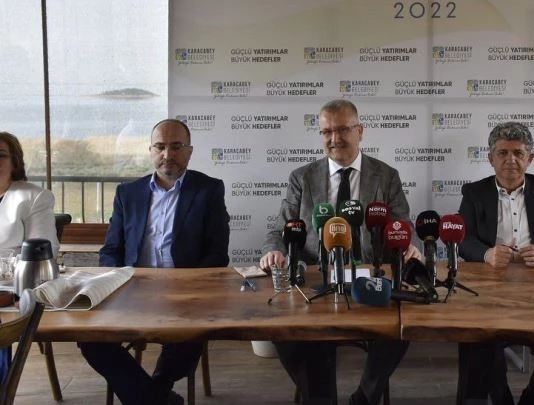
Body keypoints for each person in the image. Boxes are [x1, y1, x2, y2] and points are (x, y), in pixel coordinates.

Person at [260, 99, 421, 405]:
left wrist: (409, 245)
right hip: (316, 282)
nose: (335, 139)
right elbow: (279, 230)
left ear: (360, 131)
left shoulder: (386, 175)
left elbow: (403, 225)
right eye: (327, 132)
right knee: (281, 330)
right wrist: (273, 252)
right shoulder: (302, 177)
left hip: (372, 278)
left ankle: (365, 397)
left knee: (404, 326)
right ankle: (321, 398)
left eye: (343, 130)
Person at [78, 119, 230, 405]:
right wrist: (115, 282)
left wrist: (188, 287)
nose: (167, 155)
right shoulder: (128, 193)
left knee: (190, 333)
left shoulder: (208, 190)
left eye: (176, 147)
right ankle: (156, 398)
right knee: (90, 338)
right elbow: (111, 250)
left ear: (189, 152)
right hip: (131, 290)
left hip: (186, 294)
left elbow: (217, 253)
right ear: (151, 151)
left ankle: (156, 390)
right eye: (160, 147)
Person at [457, 121, 534, 405]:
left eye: (518, 153)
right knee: (483, 340)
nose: (511, 160)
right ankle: (502, 400)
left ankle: (533, 398)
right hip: (490, 287)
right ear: (491, 158)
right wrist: (486, 254)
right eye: (503, 153)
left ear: (530, 158)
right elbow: (462, 240)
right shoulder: (474, 192)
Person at [0, 131, 58, 382]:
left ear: (14, 162)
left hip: (12, 291)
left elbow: (41, 252)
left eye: (1, 155)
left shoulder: (33, 197)